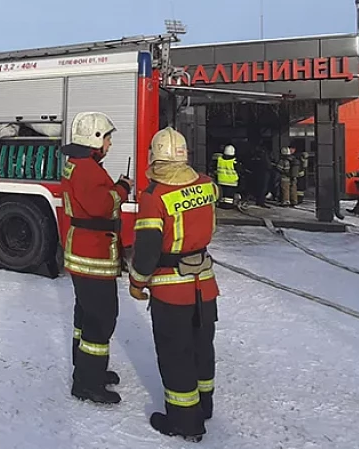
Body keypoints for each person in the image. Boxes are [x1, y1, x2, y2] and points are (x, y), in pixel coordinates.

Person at [128, 126, 219, 443]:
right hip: (205, 285)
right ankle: (203, 406)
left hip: (171, 290)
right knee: (201, 348)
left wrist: (137, 283)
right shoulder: (207, 185)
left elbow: (147, 250)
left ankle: (184, 421)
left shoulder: (153, 197)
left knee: (175, 353)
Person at [61, 111, 132, 404]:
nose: (110, 145)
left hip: (84, 252)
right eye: (108, 138)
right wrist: (122, 189)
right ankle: (88, 384)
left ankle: (88, 370)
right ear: (95, 140)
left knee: (86, 316)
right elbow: (102, 205)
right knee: (100, 319)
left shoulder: (79, 165)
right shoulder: (88, 170)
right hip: (93, 256)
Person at [216, 145, 239, 209]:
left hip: (221, 181)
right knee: (229, 196)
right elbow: (239, 171)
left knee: (223, 195)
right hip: (231, 182)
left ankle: (222, 204)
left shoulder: (219, 160)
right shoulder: (234, 161)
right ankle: (228, 206)